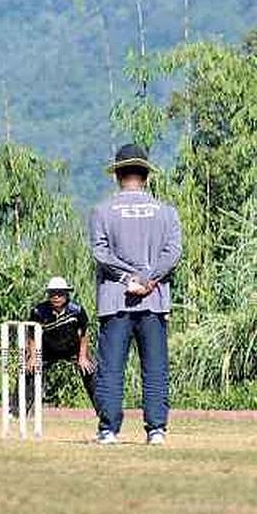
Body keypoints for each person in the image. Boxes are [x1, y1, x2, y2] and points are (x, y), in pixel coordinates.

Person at [89, 143, 182, 445]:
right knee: (154, 368)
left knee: (111, 369)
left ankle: (108, 430)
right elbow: (173, 252)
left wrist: (128, 277)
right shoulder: (166, 212)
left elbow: (100, 253)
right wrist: (150, 278)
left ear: (117, 175)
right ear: (146, 175)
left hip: (116, 299)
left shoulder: (102, 211)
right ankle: (156, 430)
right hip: (154, 300)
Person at [12, 276, 96, 417]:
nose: (56, 297)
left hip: (72, 348)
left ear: (66, 294)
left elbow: (84, 333)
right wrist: (32, 357)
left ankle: (104, 412)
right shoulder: (38, 311)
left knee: (90, 370)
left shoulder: (77, 310)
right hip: (46, 349)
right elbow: (32, 335)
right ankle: (16, 412)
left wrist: (82, 356)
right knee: (28, 370)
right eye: (52, 293)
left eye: (60, 293)